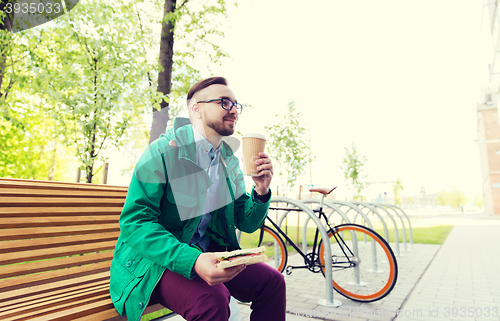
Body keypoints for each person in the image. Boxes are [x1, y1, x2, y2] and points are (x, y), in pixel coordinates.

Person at [109, 76, 286, 321]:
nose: (233, 109)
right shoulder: (162, 152)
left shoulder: (228, 161)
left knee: (272, 282)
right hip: (154, 263)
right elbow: (135, 224)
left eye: (236, 104)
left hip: (208, 253)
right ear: (196, 109)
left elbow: (245, 222)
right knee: (211, 301)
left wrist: (261, 191)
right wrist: (192, 260)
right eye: (224, 102)